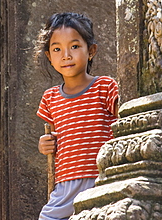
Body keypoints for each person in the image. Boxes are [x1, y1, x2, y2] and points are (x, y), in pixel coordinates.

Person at [35, 12, 119, 220]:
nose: (66, 55)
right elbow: (56, 136)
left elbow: (124, 125)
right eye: (57, 49)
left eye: (74, 46)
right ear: (49, 57)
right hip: (65, 185)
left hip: (101, 179)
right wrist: (44, 144)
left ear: (91, 51)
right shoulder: (50, 98)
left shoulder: (106, 87)